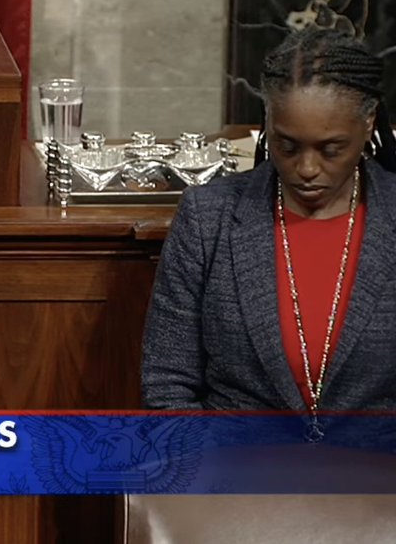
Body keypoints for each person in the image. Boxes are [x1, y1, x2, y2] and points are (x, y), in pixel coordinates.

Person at [142, 26, 396, 420]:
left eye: (332, 149)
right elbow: (167, 382)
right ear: (268, 123)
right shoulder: (209, 218)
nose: (307, 169)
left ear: (368, 123)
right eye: (287, 145)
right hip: (235, 466)